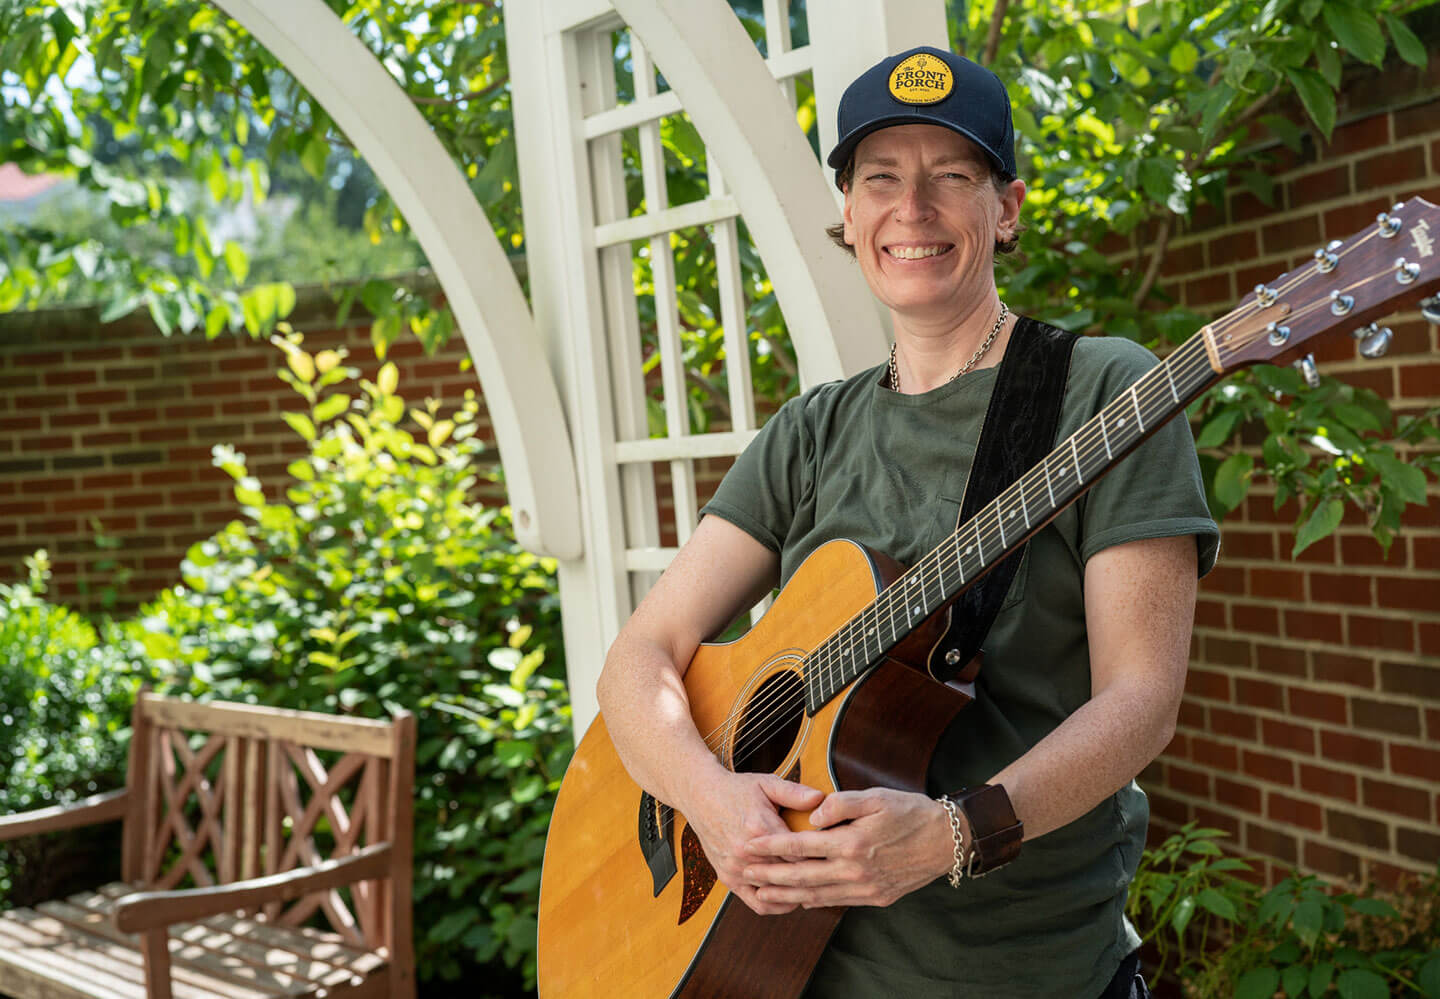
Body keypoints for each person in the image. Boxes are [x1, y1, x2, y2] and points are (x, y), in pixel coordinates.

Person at [595, 45, 1219, 999]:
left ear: (1004, 208)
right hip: (788, 967)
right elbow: (642, 655)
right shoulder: (813, 430)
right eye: (879, 177)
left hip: (1024, 970)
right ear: (847, 215)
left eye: (950, 176)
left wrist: (956, 833)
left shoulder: (1104, 392)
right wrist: (709, 798)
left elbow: (1139, 702)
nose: (912, 208)